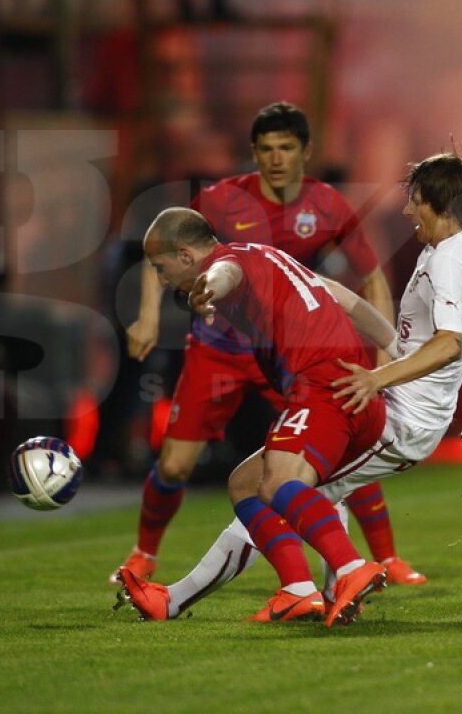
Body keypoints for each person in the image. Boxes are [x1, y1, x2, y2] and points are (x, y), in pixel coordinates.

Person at [114, 22, 462, 625]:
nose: (407, 209)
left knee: (281, 487)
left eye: (414, 200)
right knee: (259, 483)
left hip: (408, 412)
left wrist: (377, 379)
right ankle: (245, 592)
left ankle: (342, 573)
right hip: (391, 386)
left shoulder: (448, 262)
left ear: (437, 205)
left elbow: (446, 344)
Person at [110, 102, 428, 589]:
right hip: (219, 347)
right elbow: (172, 251)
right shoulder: (220, 200)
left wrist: (386, 348)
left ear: (306, 152)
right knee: (174, 463)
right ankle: (143, 556)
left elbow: (370, 276)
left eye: (286, 148)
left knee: (335, 442)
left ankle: (383, 558)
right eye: (265, 149)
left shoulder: (328, 206)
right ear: (253, 154)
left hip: (286, 354)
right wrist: (149, 317)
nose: (275, 158)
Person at [127, 207, 392, 627]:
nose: (160, 279)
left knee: (280, 482)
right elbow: (347, 298)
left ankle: (350, 568)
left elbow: (223, 274)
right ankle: (298, 589)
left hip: (324, 389)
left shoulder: (223, 266)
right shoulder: (268, 256)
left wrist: (207, 289)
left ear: (184, 255)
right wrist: (394, 353)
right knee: (245, 486)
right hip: (348, 390)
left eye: (161, 269)